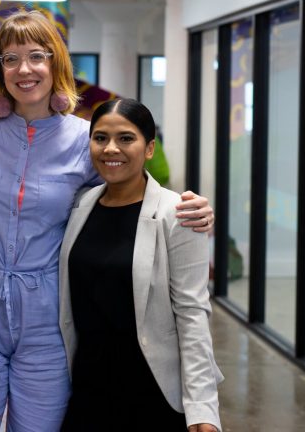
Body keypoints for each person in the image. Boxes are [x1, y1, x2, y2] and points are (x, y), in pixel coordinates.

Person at [0, 10, 215, 431]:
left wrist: (188, 207)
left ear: (56, 63)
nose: (25, 69)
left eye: (37, 56)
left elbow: (132, 191)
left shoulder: (83, 139)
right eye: (10, 58)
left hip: (48, 327)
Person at [59, 98, 222, 431]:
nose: (111, 149)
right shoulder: (80, 204)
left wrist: (203, 409)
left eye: (126, 138)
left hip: (151, 392)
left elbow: (192, 313)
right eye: (100, 138)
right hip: (87, 389)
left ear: (149, 148)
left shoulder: (178, 213)